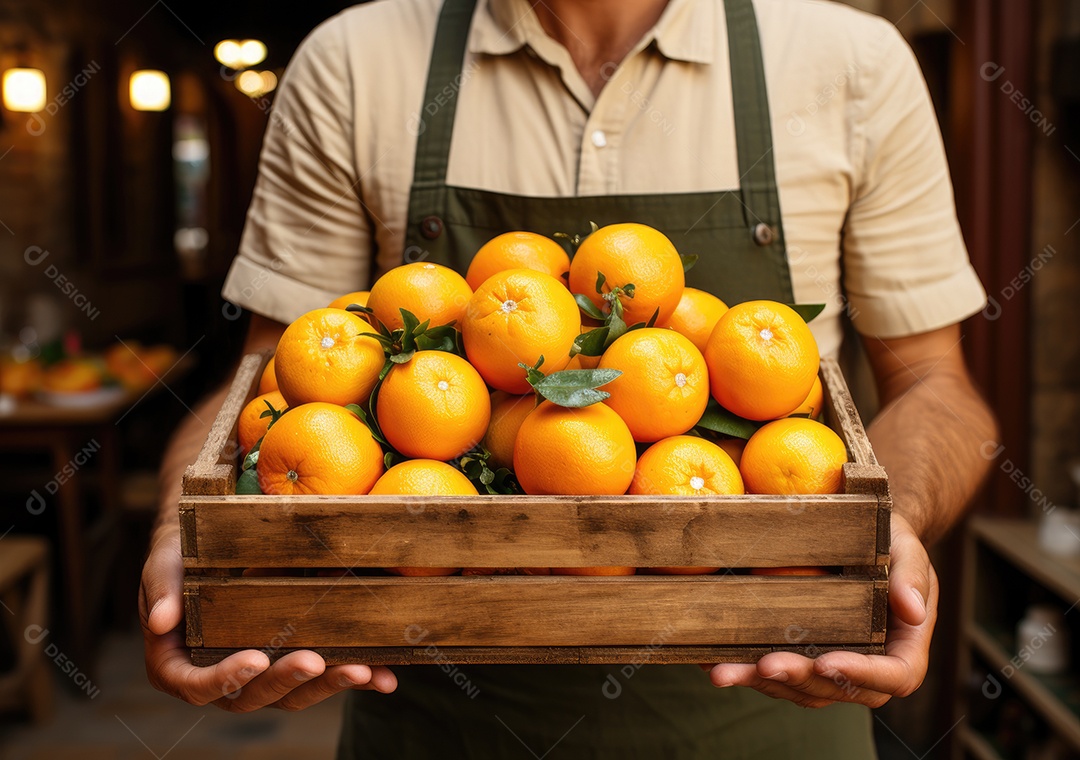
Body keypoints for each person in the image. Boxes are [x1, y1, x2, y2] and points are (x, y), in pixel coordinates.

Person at [140, 0, 998, 756]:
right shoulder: (353, 64)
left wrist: (899, 527)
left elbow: (934, 383)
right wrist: (192, 532)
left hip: (770, 699)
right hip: (439, 714)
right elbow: (271, 387)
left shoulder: (852, 65)